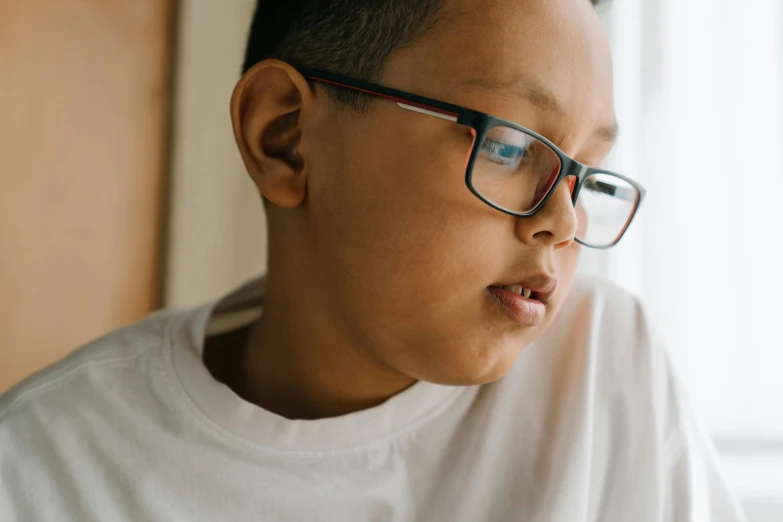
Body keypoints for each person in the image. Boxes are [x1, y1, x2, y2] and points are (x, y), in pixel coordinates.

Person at [0, 0, 747, 520]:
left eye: (585, 169)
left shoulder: (602, 364)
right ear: (285, 136)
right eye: (511, 146)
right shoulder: (46, 470)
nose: (562, 220)